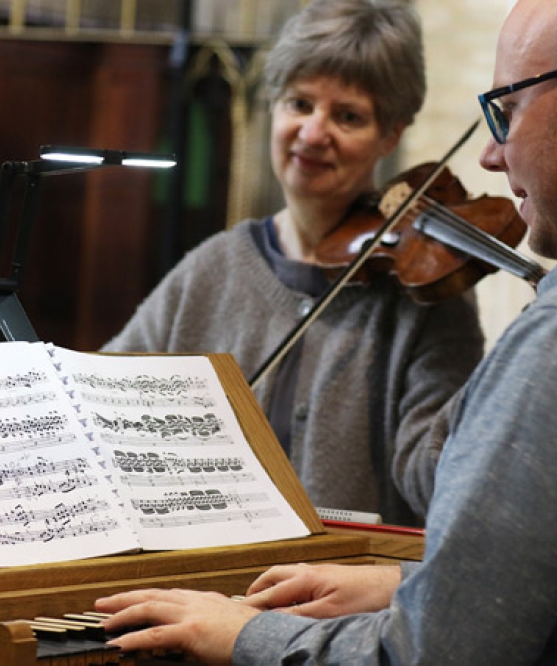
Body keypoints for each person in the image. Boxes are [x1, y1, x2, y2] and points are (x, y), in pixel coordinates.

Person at [92, 0, 557, 662]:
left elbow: (428, 653)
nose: (493, 156)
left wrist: (240, 636)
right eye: (299, 103)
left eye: (510, 109)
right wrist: (406, 584)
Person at [102, 0, 484, 526]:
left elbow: (437, 481)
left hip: (343, 597)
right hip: (202, 583)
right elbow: (105, 405)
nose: (312, 132)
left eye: (347, 116)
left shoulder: (422, 292)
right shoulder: (211, 269)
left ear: (391, 136)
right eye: (299, 104)